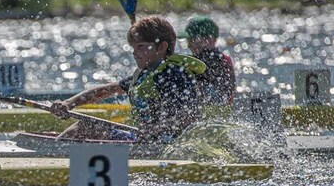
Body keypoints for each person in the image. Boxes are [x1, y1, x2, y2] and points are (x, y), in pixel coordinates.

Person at [49, 16, 205, 145]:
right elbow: (104, 91)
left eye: (141, 46)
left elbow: (191, 115)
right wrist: (69, 104)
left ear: (162, 47)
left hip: (166, 145)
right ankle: (55, 149)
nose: (134, 53)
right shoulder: (145, 74)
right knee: (86, 127)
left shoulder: (175, 74)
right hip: (143, 140)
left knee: (85, 127)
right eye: (134, 47)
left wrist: (155, 129)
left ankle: (52, 154)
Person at [183, 15, 236, 106]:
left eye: (192, 40)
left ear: (209, 39)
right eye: (188, 40)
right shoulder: (225, 59)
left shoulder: (199, 62)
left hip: (208, 111)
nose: (188, 45)